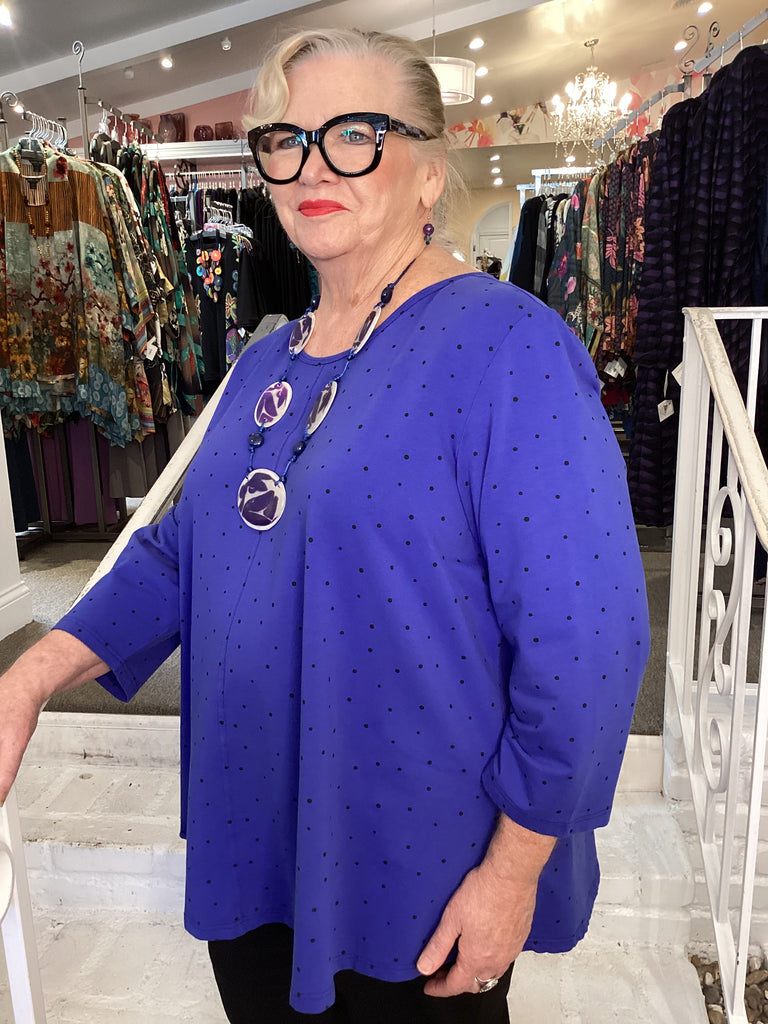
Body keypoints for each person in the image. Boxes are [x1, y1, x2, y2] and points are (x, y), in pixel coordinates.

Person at [0, 27, 650, 1024]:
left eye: (353, 134)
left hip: (420, 865)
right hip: (255, 841)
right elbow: (185, 551)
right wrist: (30, 676)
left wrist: (515, 869)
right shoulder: (266, 360)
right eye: (285, 139)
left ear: (428, 168)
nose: (312, 166)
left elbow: (589, 642)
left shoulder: (510, 347)